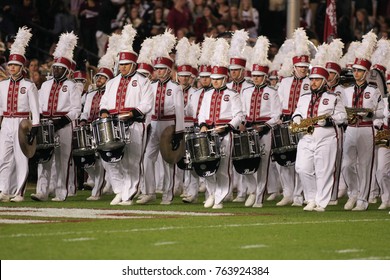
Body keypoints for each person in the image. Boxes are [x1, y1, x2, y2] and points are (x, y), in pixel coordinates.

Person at [99, 24, 154, 206]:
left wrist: (132, 113)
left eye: (125, 65)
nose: (122, 68)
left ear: (133, 64)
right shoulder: (112, 82)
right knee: (112, 160)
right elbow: (104, 102)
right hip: (113, 124)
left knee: (132, 160)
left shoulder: (143, 81)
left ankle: (129, 194)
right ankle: (119, 190)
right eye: (120, 65)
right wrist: (105, 113)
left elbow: (147, 103)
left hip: (134, 124)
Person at [31, 32, 82, 202]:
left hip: (64, 125)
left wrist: (62, 121)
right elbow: (38, 104)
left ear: (66, 70)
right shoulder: (45, 85)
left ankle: (61, 192)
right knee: (44, 158)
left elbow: (76, 109)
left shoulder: (72, 86)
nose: (56, 70)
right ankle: (42, 191)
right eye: (54, 67)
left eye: (59, 68)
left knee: (62, 160)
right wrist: (38, 118)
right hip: (46, 125)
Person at [138, 30, 185, 205]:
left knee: (168, 161)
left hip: (169, 125)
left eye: (161, 69)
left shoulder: (176, 87)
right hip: (154, 124)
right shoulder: (150, 86)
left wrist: (179, 132)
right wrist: (147, 124)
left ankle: (168, 194)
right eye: (156, 69)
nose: (157, 72)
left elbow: (179, 110)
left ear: (168, 70)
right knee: (147, 158)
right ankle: (149, 192)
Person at [292, 64, 347, 212]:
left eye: (317, 80)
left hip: (326, 136)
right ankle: (311, 198)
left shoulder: (333, 97)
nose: (313, 83)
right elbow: (297, 112)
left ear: (324, 81)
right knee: (302, 168)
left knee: (324, 170)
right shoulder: (304, 97)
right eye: (312, 80)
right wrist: (297, 118)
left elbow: (343, 117)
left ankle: (321, 202)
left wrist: (329, 120)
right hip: (306, 135)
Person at [198, 37, 244, 209]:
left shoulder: (233, 94)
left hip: (226, 133)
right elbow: (202, 112)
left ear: (225, 78)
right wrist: (202, 124)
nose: (215, 81)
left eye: (218, 78)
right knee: (208, 165)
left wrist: (228, 127)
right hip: (209, 133)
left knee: (224, 167)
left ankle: (220, 197)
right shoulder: (207, 94)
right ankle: (212, 193)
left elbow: (239, 115)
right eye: (213, 78)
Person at [342, 32, 384, 211]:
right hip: (350, 128)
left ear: (367, 73)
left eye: (360, 71)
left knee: (365, 165)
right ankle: (353, 192)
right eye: (355, 70)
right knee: (346, 165)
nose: (356, 73)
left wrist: (370, 115)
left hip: (367, 129)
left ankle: (363, 200)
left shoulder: (374, 90)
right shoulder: (346, 91)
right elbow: (340, 111)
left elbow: (381, 112)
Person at [240, 36, 282, 208]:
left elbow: (277, 115)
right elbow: (242, 111)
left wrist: (265, 127)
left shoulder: (272, 92)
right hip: (248, 129)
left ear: (265, 76)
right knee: (244, 162)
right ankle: (252, 190)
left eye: (259, 76)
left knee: (263, 164)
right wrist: (242, 123)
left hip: (265, 130)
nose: (256, 78)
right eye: (254, 76)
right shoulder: (246, 91)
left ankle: (259, 196)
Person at [0, 27, 40, 202]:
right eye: (10, 65)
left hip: (22, 122)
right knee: (3, 157)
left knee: (21, 158)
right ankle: (4, 190)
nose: (12, 68)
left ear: (21, 67)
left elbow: (35, 108)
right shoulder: (2, 85)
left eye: (15, 65)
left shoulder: (29, 85)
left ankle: (19, 192)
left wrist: (36, 126)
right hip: (6, 122)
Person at [276, 28, 311, 207]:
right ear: (294, 66)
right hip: (285, 123)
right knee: (282, 159)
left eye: (306, 67)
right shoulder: (285, 82)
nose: (303, 70)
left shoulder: (312, 82)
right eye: (300, 67)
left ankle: (299, 195)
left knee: (300, 160)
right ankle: (287, 192)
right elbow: (279, 102)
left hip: (303, 124)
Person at [79, 54, 115, 200]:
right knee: (87, 161)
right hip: (90, 129)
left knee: (103, 161)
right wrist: (82, 121)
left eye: (102, 77)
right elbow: (86, 111)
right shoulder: (91, 94)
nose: (98, 80)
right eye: (97, 77)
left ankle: (98, 190)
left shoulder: (111, 93)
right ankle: (99, 183)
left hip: (104, 128)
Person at [226, 29, 253, 203]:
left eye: (237, 70)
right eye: (232, 70)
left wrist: (244, 122)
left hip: (244, 126)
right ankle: (230, 191)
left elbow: (250, 107)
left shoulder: (250, 87)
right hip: (229, 124)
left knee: (244, 159)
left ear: (243, 70)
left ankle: (245, 192)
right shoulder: (226, 86)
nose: (233, 73)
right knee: (228, 160)